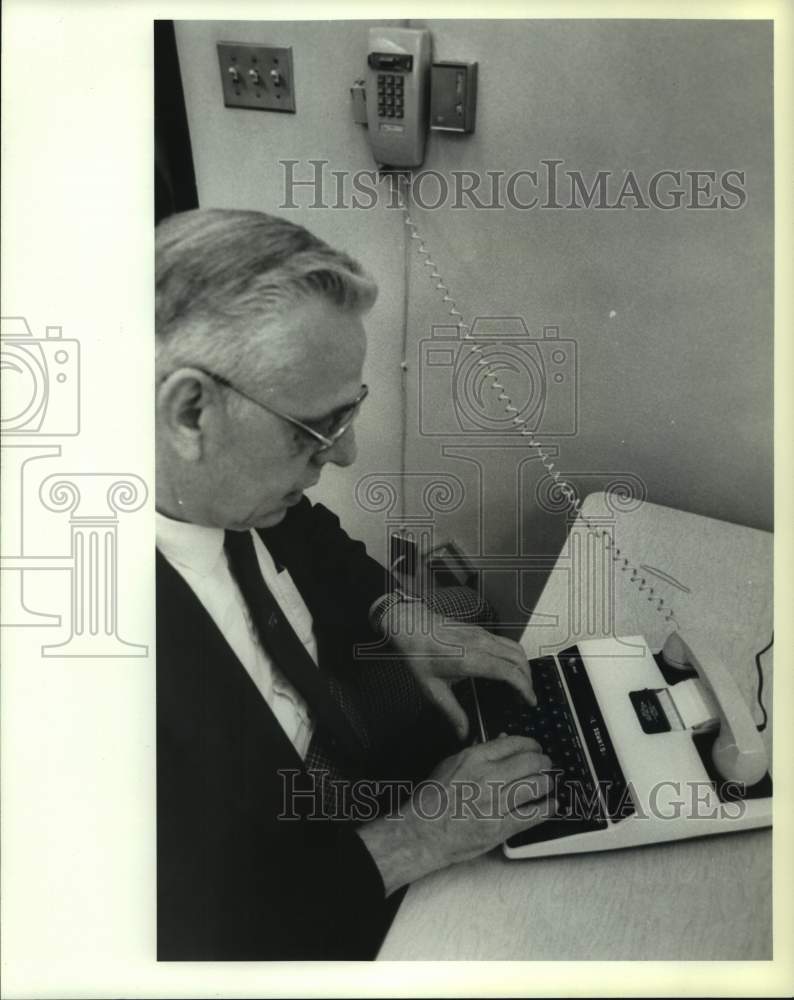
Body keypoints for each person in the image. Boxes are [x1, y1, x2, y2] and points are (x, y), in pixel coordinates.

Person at [155, 208, 555, 960]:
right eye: (314, 429)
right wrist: (415, 839)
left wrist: (396, 610)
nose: (344, 456)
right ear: (189, 410)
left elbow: (312, 538)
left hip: (359, 767)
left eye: (350, 415)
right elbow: (187, 941)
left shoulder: (226, 485)